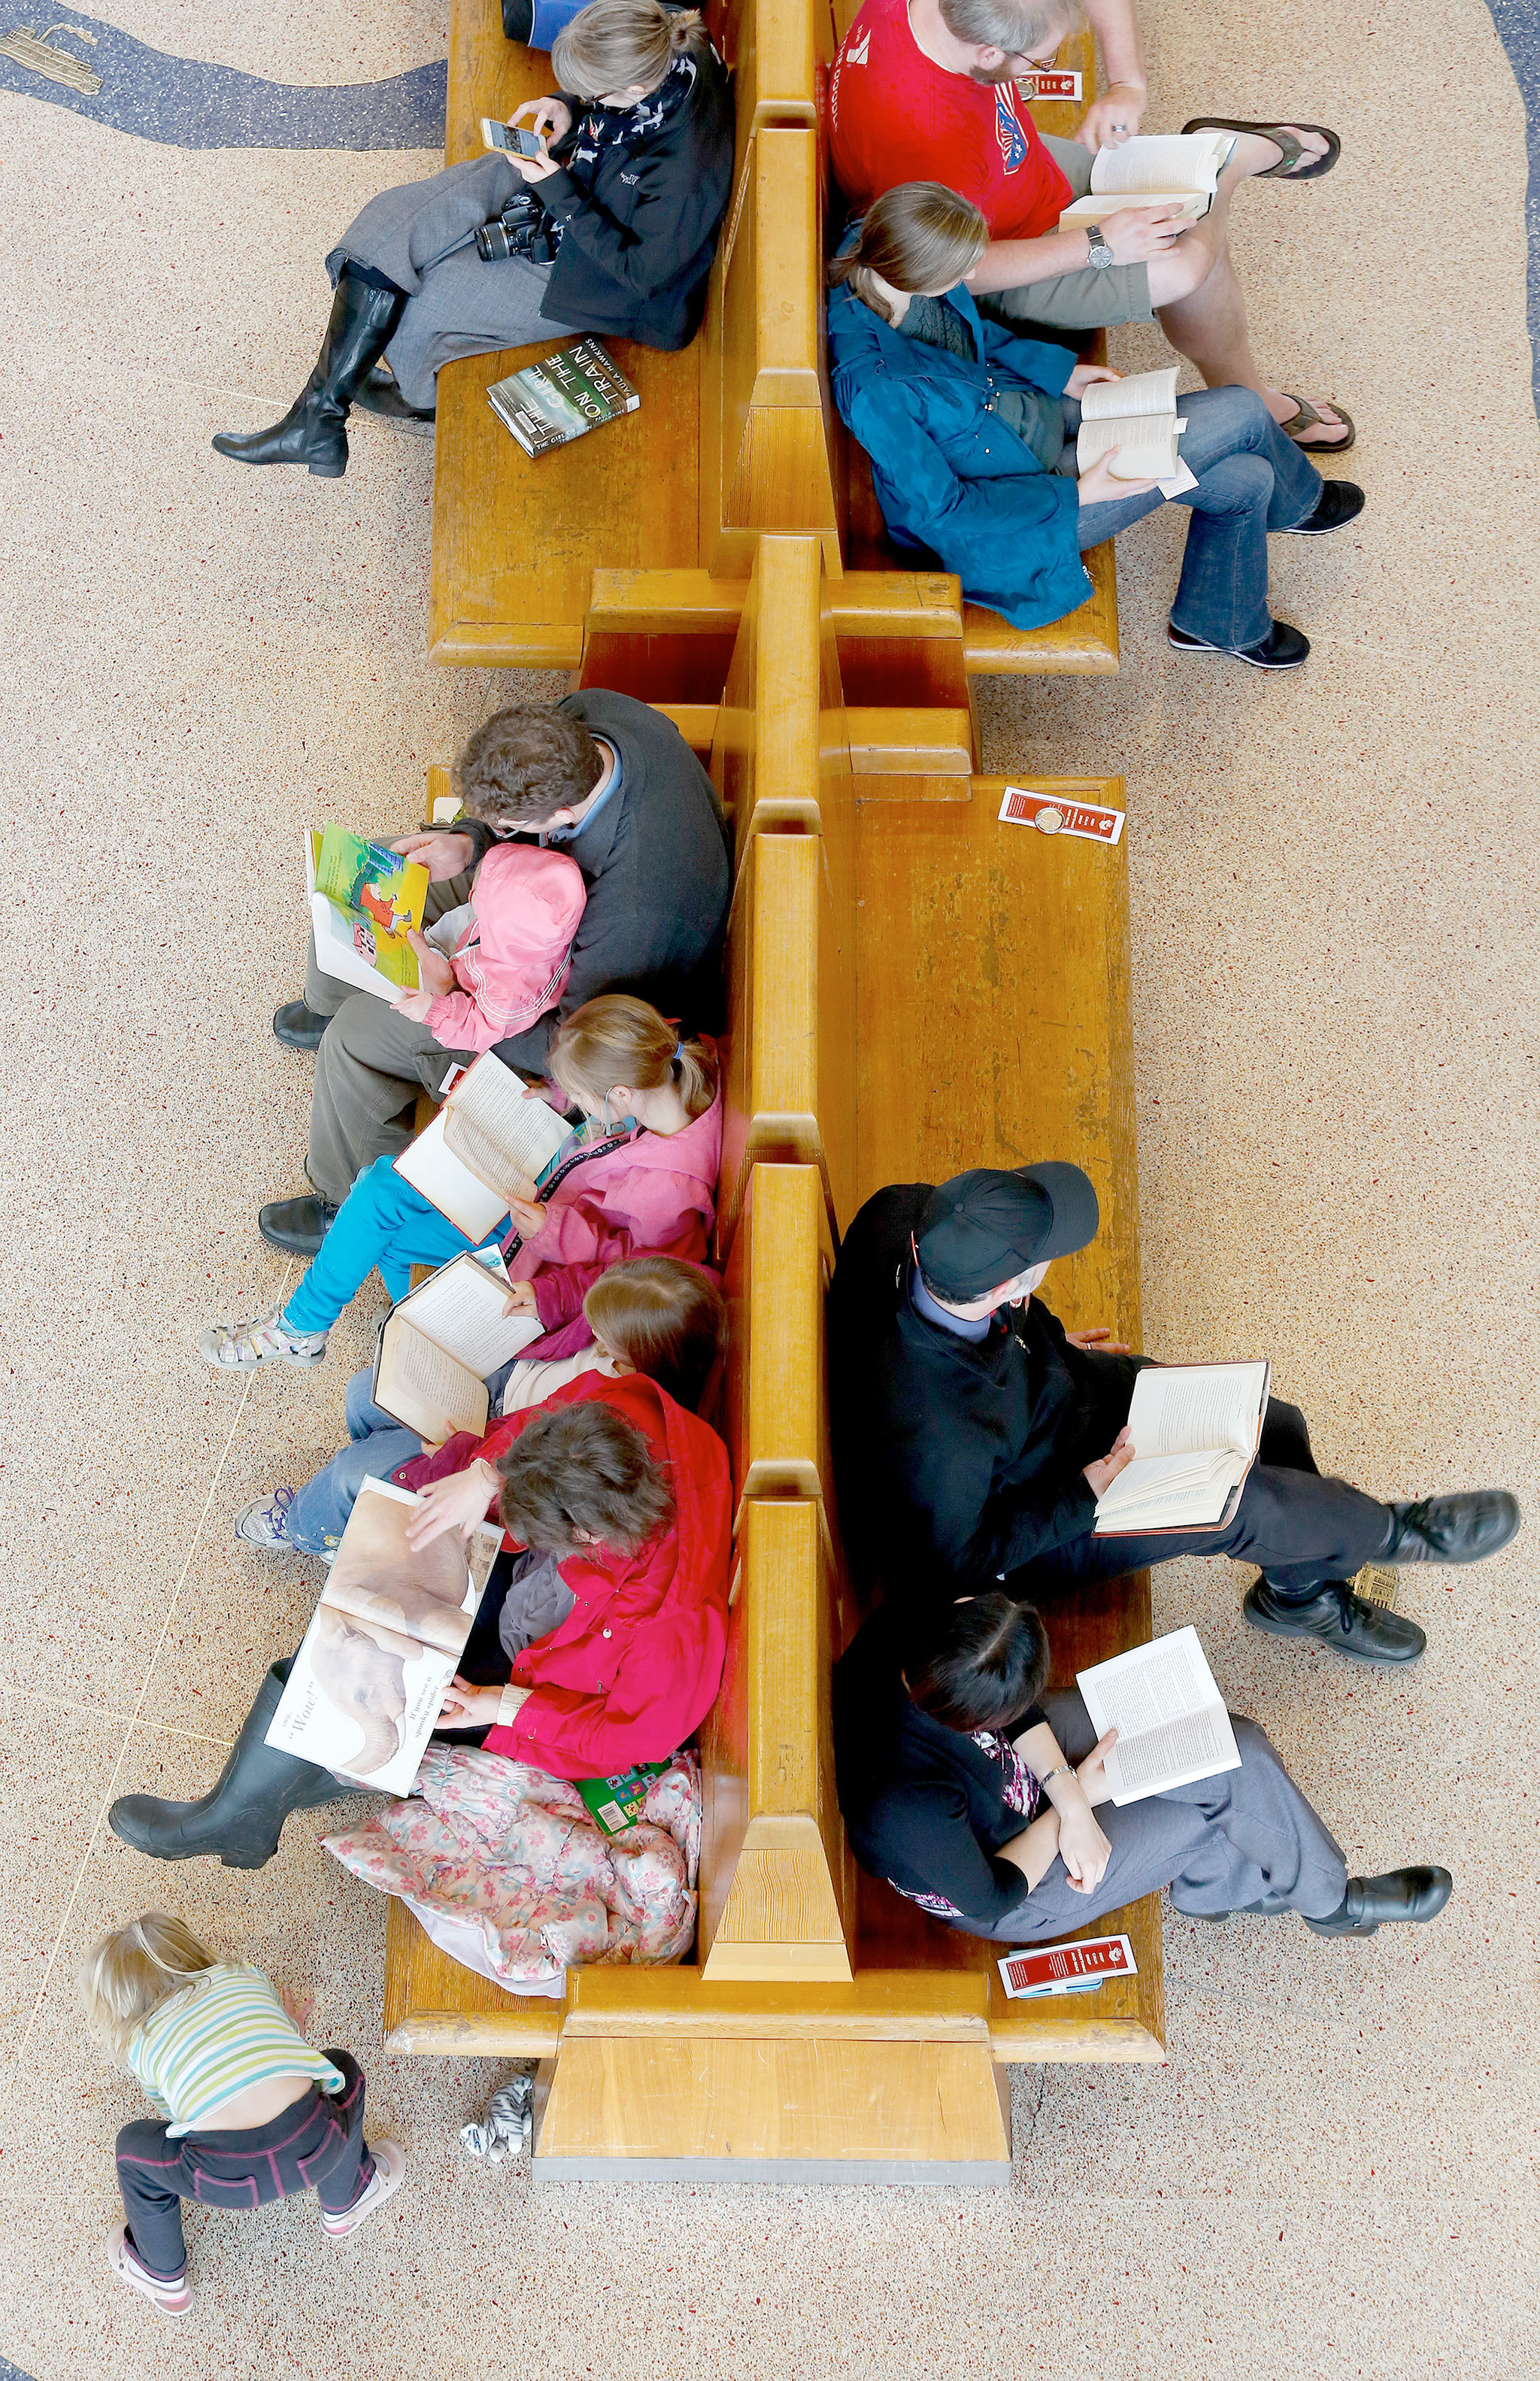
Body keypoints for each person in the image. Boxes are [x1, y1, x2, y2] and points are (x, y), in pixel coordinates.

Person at [826, 1161, 1522, 1664]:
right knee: (1239, 1503)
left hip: (1056, 1392)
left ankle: (1298, 1595)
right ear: (1006, 1285)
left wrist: (1033, 1340)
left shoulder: (905, 1217)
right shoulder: (938, 1445)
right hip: (1052, 1508)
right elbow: (960, 1563)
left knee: (1274, 1424)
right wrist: (1084, 1492)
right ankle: (1400, 1531)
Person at [108, 1372, 732, 1866]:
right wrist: (487, 1474)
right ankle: (241, 1815)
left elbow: (629, 1739)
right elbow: (542, 1423)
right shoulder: (620, 1417)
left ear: (588, 1536)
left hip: (549, 1684)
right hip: (541, 1600)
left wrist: (500, 1706)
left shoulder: (667, 1633)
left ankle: (237, 1819)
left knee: (404, 1702)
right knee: (364, 1641)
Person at [265, 694, 731, 1253]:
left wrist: (452, 997)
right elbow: (499, 825)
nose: (491, 825)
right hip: (533, 887)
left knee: (358, 1036)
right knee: (380, 872)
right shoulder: (592, 719)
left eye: (500, 822)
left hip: (576, 1001)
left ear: (560, 817)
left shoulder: (637, 914)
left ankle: (340, 1199)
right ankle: (332, 995)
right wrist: (469, 840)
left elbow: (568, 1041)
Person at [827, 185, 1359, 666]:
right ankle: (1298, 506)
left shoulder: (879, 241)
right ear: (914, 273)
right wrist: (1080, 496)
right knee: (1242, 411)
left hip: (1014, 414)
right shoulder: (876, 388)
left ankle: (1218, 622)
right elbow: (945, 513)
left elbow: (970, 336)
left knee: (1248, 481)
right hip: (1020, 507)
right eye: (959, 271)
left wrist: (1062, 373)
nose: (971, 278)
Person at [211, 0, 735, 476]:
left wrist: (553, 187)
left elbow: (643, 276)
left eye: (592, 93)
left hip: (603, 274)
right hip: (579, 172)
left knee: (420, 305)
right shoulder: (666, 40)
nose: (586, 96)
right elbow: (604, 102)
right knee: (396, 224)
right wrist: (567, 107)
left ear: (633, 91)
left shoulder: (684, 168)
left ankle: (407, 401)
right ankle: (317, 418)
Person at [826, 0, 1356, 457]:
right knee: (1187, 265)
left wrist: (1128, 84)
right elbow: (963, 272)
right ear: (989, 54)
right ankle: (1228, 161)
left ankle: (1248, 391)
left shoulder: (958, 28)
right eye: (1042, 60)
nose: (1044, 65)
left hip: (1018, 171)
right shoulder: (926, 139)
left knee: (1182, 214)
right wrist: (1099, 243)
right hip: (991, 254)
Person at [835, 1594, 1455, 1940]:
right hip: (1012, 1875)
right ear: (974, 1721)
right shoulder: (903, 1804)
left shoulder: (922, 1625)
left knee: (1223, 1742)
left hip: (1021, 1786)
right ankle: (1331, 1904)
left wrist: (1075, 1799)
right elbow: (992, 1895)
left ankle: (1222, 1888)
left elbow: (1024, 1718)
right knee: (1218, 1803)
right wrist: (1070, 1807)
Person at [202, 996, 723, 1373]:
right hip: (539, 1197)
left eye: (585, 1096)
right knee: (380, 1191)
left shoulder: (671, 1191)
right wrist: (563, 1102)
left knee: (379, 1205)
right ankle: (322, 1324)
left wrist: (553, 1229)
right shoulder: (668, 1062)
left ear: (623, 1096)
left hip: (539, 1251)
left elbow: (629, 1274)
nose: (582, 1103)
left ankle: (309, 1328)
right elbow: (605, 1113)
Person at [234, 1254, 725, 1558]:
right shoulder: (673, 1297)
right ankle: (373, 1505)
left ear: (640, 1359)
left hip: (485, 1440)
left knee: (349, 1475)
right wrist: (553, 1296)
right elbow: (606, 1277)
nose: (593, 1338)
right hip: (503, 1383)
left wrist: (456, 1453)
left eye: (605, 1342)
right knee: (365, 1395)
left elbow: (527, 1458)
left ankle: (307, 1527)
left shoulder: (614, 1409)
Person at [81, 1912, 405, 2319]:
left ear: (119, 2011)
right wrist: (290, 2033)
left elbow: (170, 2113)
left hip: (224, 2180)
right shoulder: (243, 1975)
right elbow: (273, 2037)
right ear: (192, 1949)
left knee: (132, 2150)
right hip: (316, 2142)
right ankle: (346, 2200)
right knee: (342, 2069)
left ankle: (163, 2277)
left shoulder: (140, 2043)